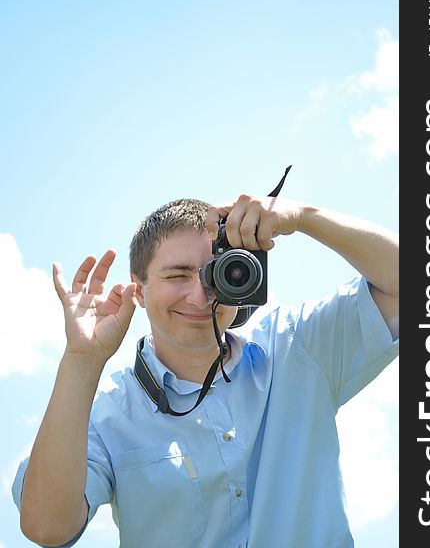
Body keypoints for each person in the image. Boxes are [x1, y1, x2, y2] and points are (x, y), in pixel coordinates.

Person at [12, 193, 399, 548]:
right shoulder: (108, 414)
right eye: (178, 275)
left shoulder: (298, 346)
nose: (200, 296)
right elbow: (47, 528)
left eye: (219, 274)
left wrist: (304, 217)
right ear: (139, 289)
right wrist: (82, 360)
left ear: (246, 277)